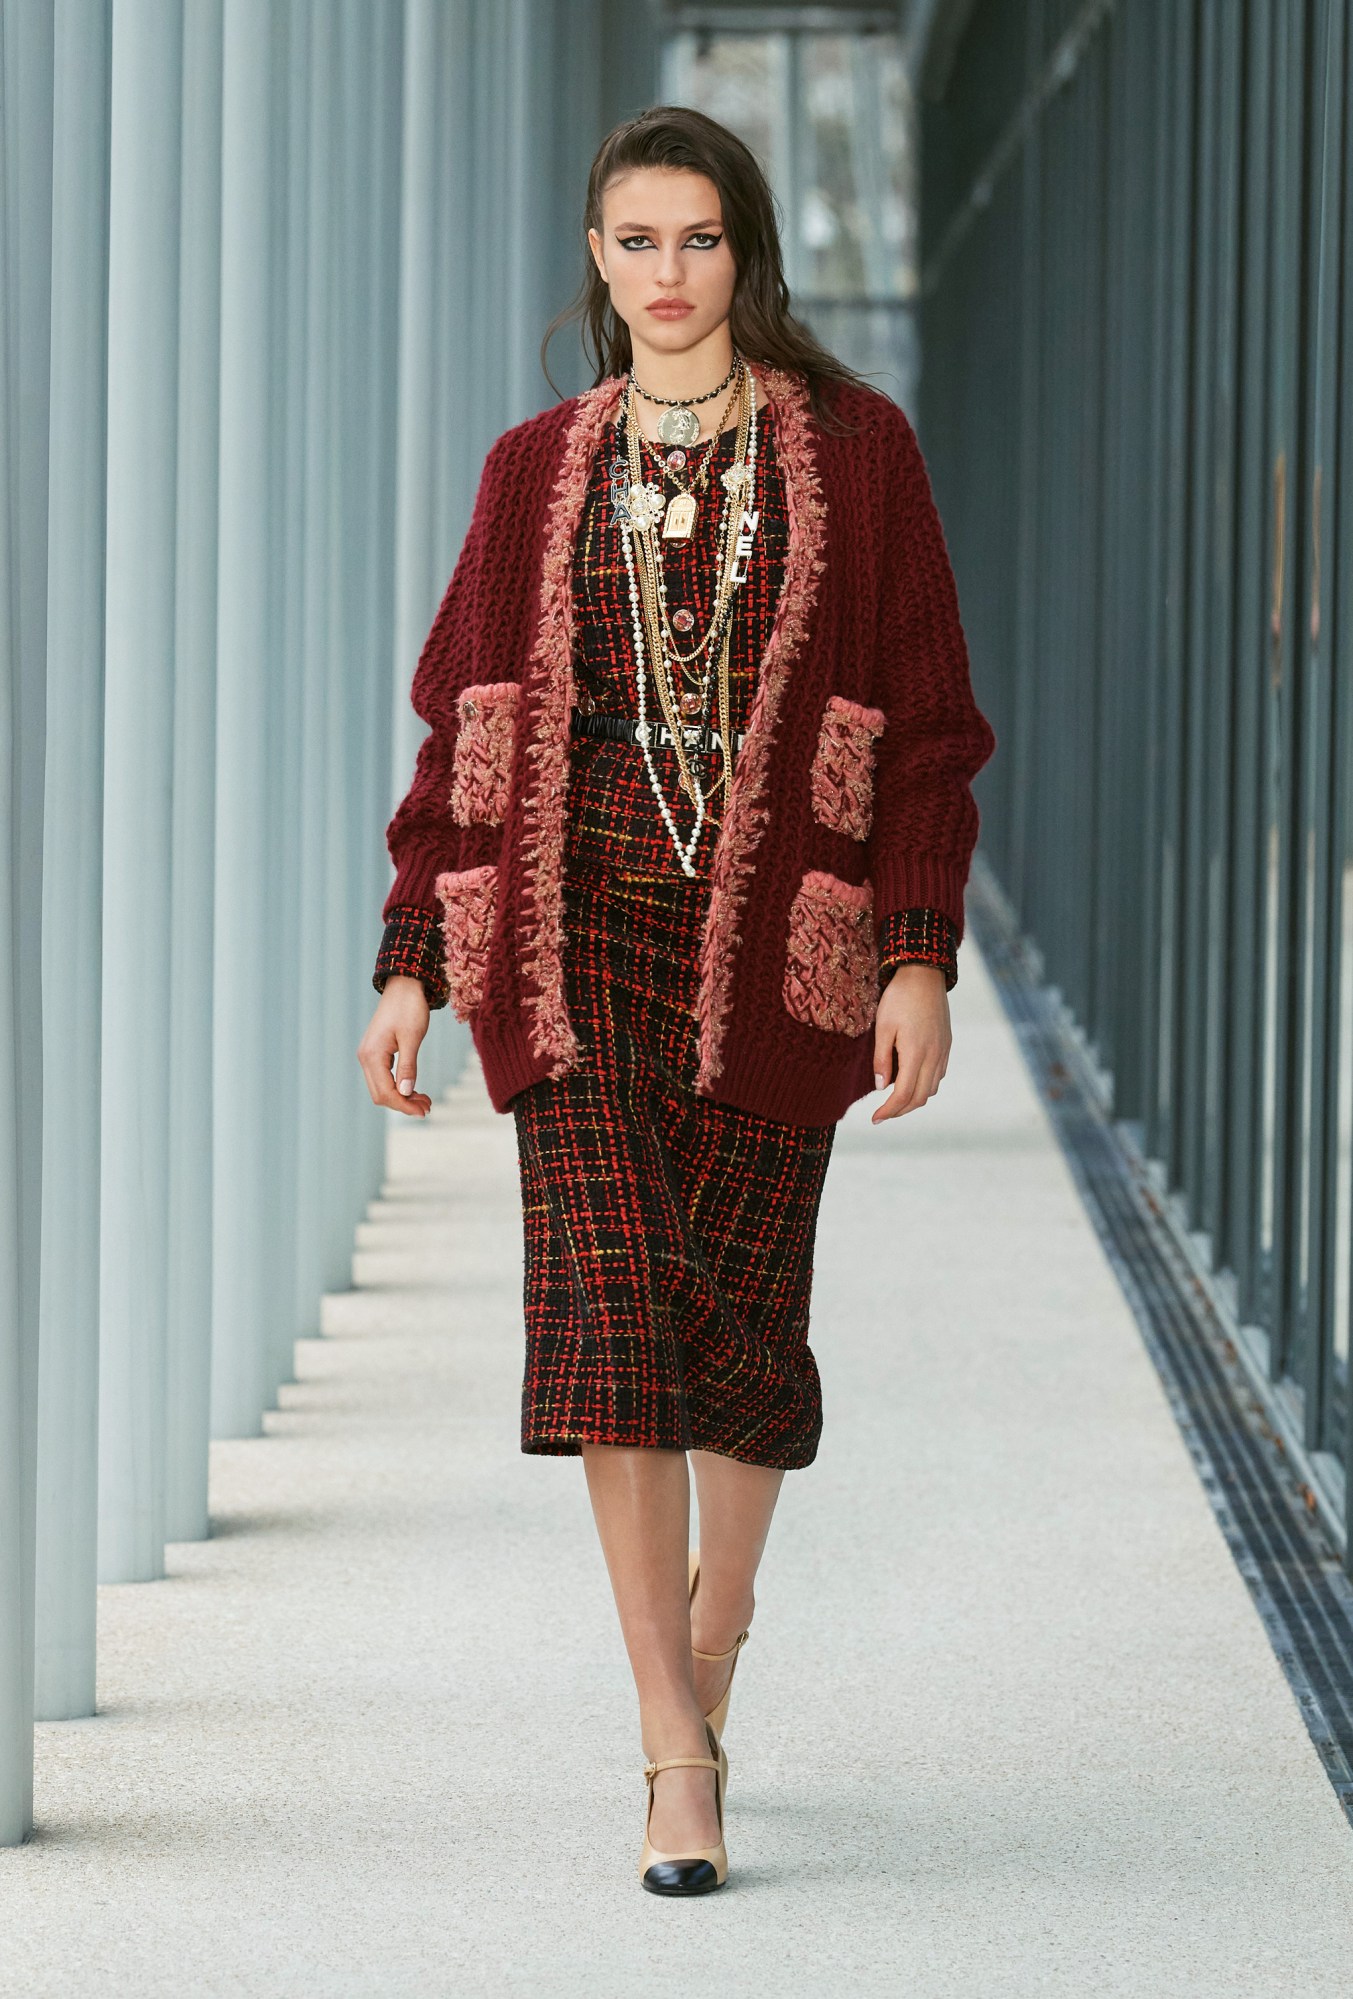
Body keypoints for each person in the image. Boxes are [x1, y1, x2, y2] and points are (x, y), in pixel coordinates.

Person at [358, 104, 995, 1897]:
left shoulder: (858, 457)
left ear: (746, 252)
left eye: (698, 240)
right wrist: (412, 957)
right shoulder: (526, 469)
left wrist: (915, 954)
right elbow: (462, 738)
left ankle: (714, 1649)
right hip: (566, 960)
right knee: (613, 1339)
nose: (665, 274)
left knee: (740, 1344)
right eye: (634, 240)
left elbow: (931, 733)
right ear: (592, 253)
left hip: (771, 962)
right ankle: (671, 1750)